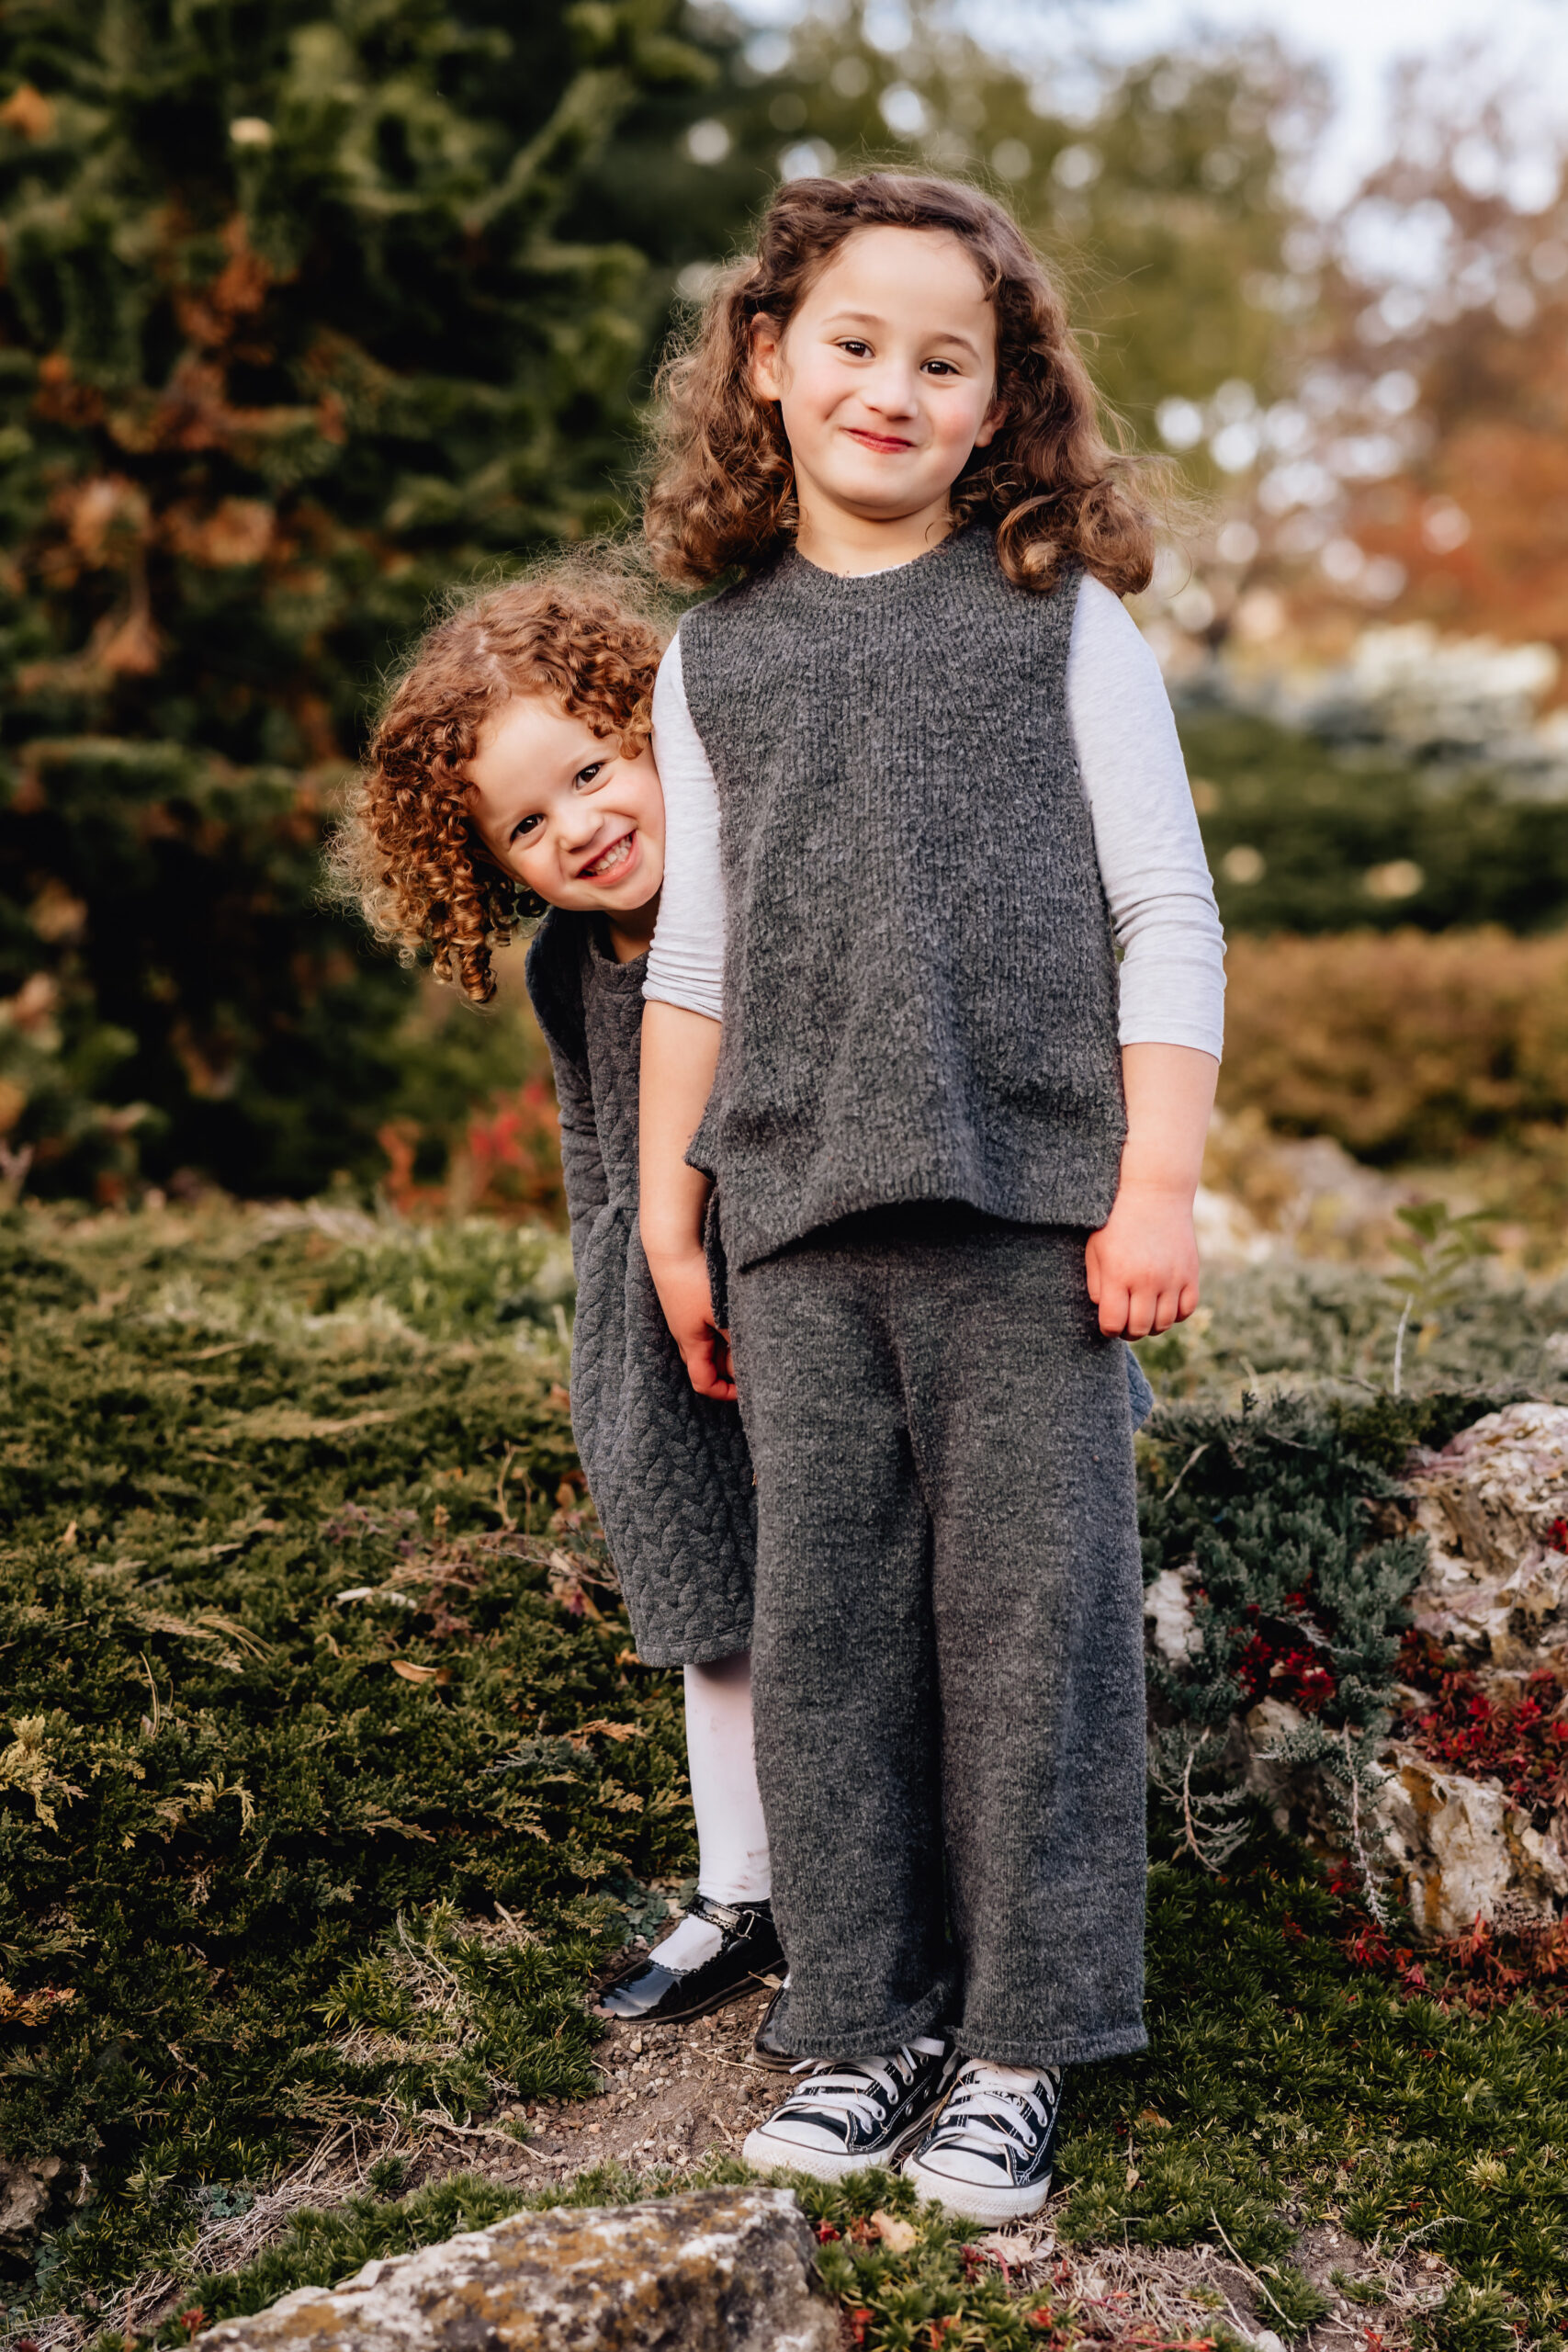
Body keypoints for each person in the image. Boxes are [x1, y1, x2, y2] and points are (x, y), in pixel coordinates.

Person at [637, 172, 1224, 2223]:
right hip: (794, 1228)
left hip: (1028, 1223)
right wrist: (664, 1203)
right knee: (829, 1635)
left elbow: (1165, 912)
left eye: (942, 359)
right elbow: (692, 956)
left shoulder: (1057, 617)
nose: (891, 384)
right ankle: (862, 2013)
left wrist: (1154, 1184)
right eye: (853, 343)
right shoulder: (711, 657)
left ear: (1000, 406)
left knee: (1029, 1636)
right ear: (769, 360)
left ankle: (1016, 2042)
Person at [331, 571, 784, 2030]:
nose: (579, 826)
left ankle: (877, 1893)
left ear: (654, 730)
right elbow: (597, 1164)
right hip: (676, 1332)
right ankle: (743, 1891)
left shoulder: (763, 881)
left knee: (850, 1607)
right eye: (528, 824)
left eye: (592, 771)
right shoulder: (567, 967)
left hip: (813, 1295)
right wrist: (620, 1355)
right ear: (488, 864)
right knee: (718, 1617)